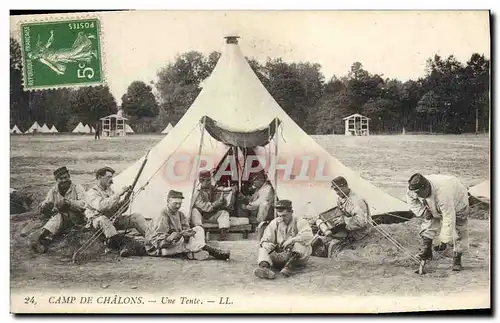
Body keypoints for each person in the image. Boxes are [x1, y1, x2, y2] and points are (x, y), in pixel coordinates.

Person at [406, 173, 470, 271]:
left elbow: (449, 217)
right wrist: (423, 211)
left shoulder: (444, 194)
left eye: (419, 193)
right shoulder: (414, 188)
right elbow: (411, 200)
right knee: (429, 220)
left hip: (458, 200)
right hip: (436, 200)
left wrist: (443, 240)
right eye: (416, 193)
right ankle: (426, 250)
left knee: (459, 229)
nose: (417, 195)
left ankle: (457, 258)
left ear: (426, 188)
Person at [144, 190, 230, 260]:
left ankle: (192, 253)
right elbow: (158, 242)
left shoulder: (180, 214)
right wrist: (171, 238)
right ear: (168, 201)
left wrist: (188, 233)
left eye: (180, 203)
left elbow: (186, 229)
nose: (178, 206)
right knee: (185, 244)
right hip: (161, 249)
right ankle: (213, 252)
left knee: (199, 229)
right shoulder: (162, 215)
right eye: (175, 203)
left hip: (177, 243)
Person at [85, 166, 148, 257]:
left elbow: (118, 210)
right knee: (103, 219)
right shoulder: (91, 192)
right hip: (97, 222)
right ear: (99, 177)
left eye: (111, 177)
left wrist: (125, 201)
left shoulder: (110, 191)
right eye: (108, 177)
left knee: (136, 217)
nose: (111, 180)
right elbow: (102, 206)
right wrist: (119, 194)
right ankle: (121, 246)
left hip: (113, 220)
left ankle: (153, 240)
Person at [29, 166, 87, 253]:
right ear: (57, 180)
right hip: (60, 217)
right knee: (56, 215)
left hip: (75, 217)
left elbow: (85, 204)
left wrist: (69, 203)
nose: (64, 180)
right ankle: (43, 239)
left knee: (59, 216)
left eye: (66, 177)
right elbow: (47, 201)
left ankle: (40, 237)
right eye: (61, 178)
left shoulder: (77, 187)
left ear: (69, 177)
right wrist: (44, 205)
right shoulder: (54, 190)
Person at [312, 176, 372, 258]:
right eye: (334, 189)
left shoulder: (356, 201)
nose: (336, 192)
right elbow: (341, 212)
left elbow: (362, 222)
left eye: (337, 189)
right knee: (320, 226)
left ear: (345, 186)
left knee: (332, 245)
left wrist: (344, 220)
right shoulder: (341, 198)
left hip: (358, 232)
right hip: (346, 225)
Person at [254, 200, 313, 279]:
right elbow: (265, 239)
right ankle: (265, 269)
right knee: (263, 248)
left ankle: (289, 267)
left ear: (291, 212)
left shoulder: (300, 221)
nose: (281, 218)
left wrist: (292, 240)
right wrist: (266, 244)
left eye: (284, 216)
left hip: (296, 257)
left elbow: (308, 236)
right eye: (280, 216)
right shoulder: (275, 222)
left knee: (300, 244)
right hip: (280, 255)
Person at [191, 170, 231, 240]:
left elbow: (220, 194)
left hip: (211, 215)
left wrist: (223, 201)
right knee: (194, 211)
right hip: (202, 217)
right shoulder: (197, 191)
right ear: (201, 180)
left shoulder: (212, 188)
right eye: (208, 180)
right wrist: (217, 203)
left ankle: (223, 235)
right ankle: (201, 234)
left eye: (210, 180)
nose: (210, 182)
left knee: (224, 213)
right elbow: (205, 207)